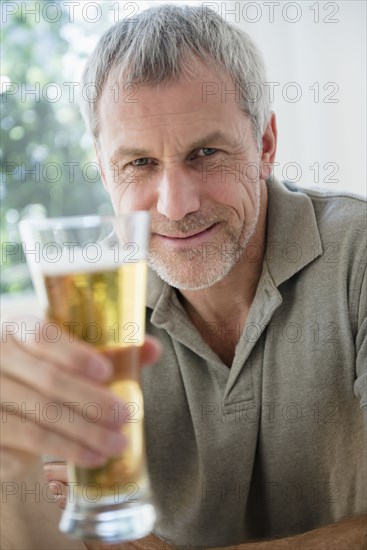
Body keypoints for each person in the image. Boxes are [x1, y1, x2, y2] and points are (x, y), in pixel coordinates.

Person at [1, 4, 366, 549]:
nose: (175, 205)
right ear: (105, 173)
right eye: (139, 164)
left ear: (265, 145)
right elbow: (85, 524)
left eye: (206, 153)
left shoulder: (358, 252)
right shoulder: (85, 298)